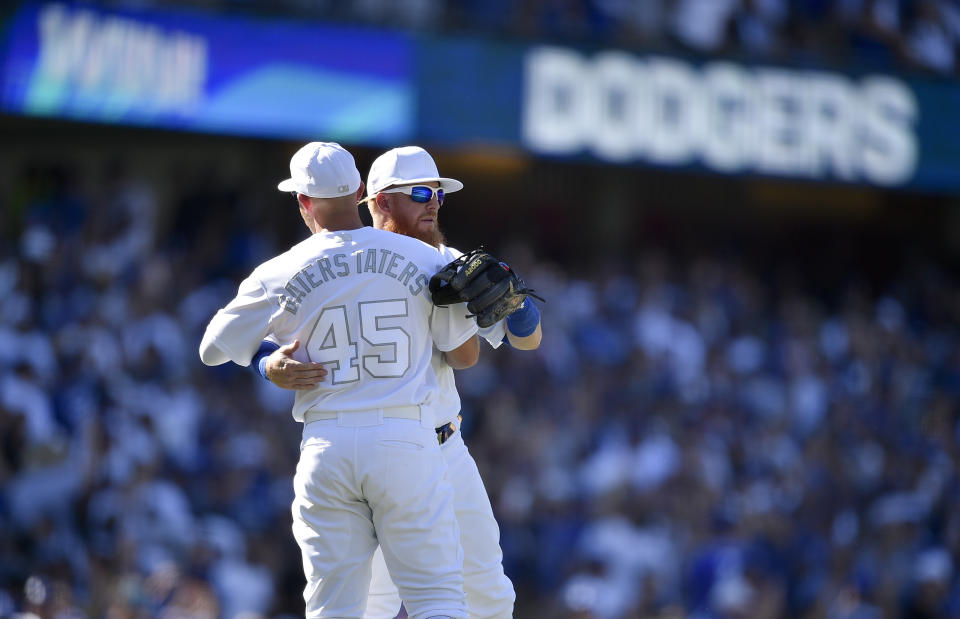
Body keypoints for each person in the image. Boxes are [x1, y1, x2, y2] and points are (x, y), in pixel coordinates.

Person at [255, 146, 543, 619]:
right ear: (380, 202)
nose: (433, 202)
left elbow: (528, 341)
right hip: (376, 445)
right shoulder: (338, 259)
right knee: (373, 605)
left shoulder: (452, 261)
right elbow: (257, 336)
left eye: (438, 194)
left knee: (488, 593)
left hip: (442, 446)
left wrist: (516, 297)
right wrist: (267, 365)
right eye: (420, 193)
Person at [199, 142, 480, 619]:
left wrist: (266, 363)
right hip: (404, 437)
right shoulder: (425, 258)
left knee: (335, 609)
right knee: (437, 599)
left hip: (326, 441)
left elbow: (213, 347)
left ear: (303, 201)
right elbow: (460, 350)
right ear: (357, 191)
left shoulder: (279, 270)